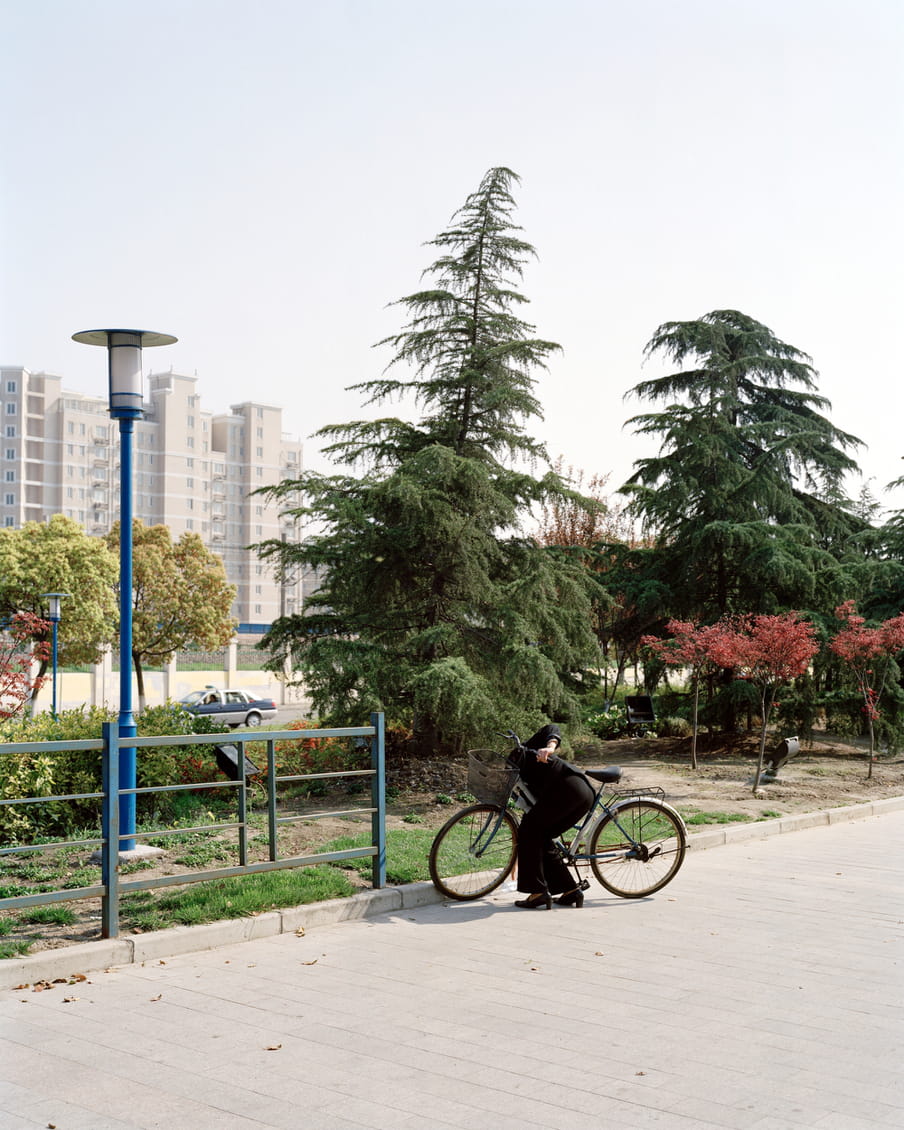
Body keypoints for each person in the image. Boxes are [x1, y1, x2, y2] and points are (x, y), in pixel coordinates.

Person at [509, 724, 595, 909]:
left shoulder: (531, 751)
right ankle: (571, 891)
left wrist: (551, 746)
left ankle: (538, 893)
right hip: (579, 793)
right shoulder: (528, 771)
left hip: (569, 790)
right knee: (541, 835)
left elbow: (552, 730)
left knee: (529, 829)